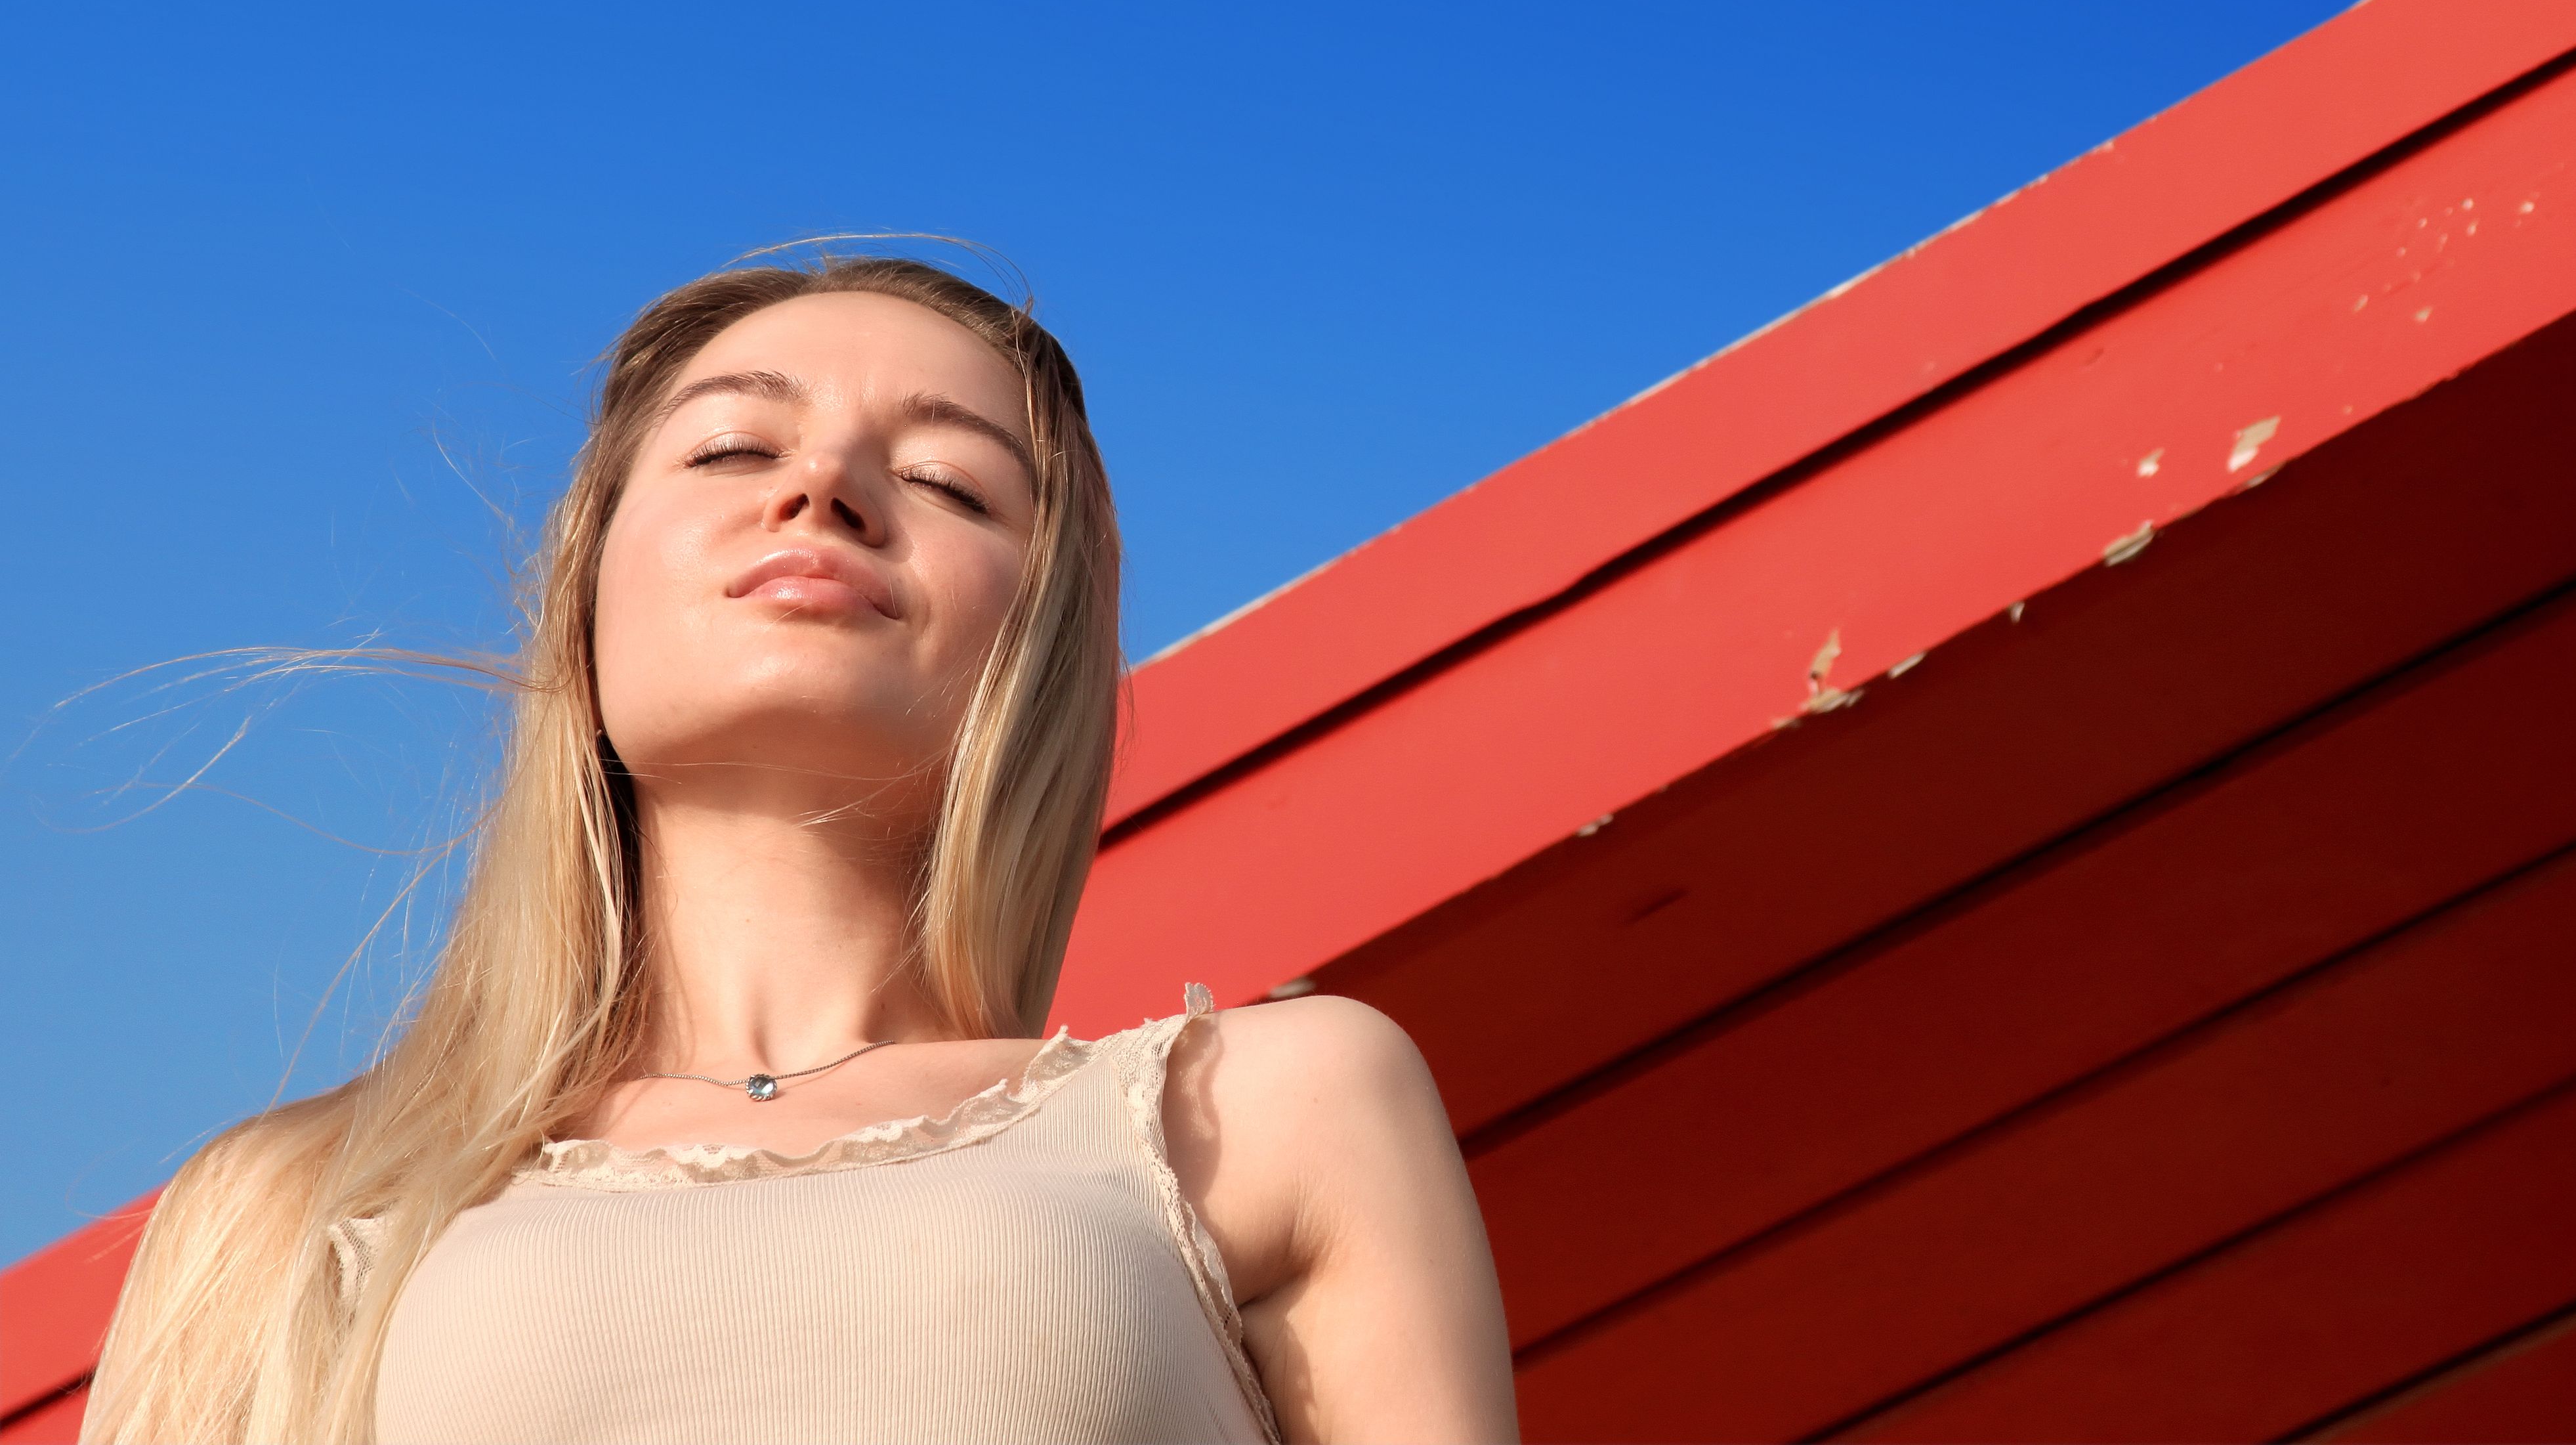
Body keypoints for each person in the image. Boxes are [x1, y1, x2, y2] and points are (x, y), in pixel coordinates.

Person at [85, 255, 1519, 1444]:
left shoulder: (1270, 1112)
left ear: (1043, 653)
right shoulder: (286, 1208)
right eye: (731, 448)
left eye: (953, 483)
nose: (823, 488)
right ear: (583, 596)